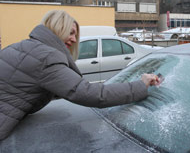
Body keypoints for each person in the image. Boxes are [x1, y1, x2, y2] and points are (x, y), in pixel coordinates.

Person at [0, 10, 159, 140]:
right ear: (58, 28)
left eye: (75, 35)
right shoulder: (46, 57)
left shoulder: (22, 46)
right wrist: (140, 85)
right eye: (71, 33)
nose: (74, 39)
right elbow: (91, 94)